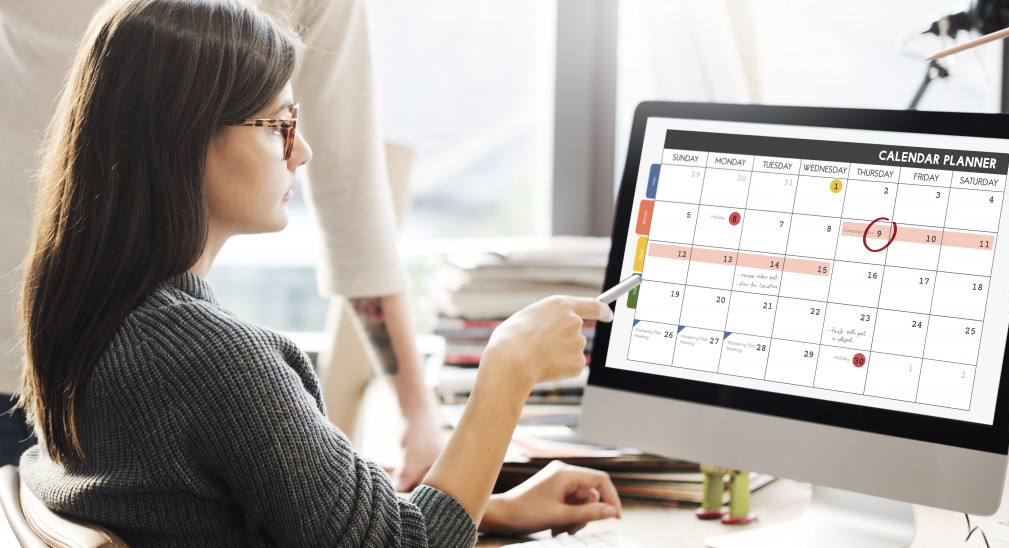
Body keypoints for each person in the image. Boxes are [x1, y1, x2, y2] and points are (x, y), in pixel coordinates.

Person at [16, 0, 621, 545]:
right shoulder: (212, 362)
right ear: (186, 138)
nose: (301, 149)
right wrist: (509, 367)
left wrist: (488, 508)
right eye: (277, 125)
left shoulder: (90, 318)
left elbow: (295, 509)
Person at [0, 0, 443, 489]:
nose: (300, 151)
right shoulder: (225, 367)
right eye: (277, 126)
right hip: (40, 363)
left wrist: (415, 413)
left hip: (69, 350)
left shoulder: (204, 356)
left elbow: (351, 194)